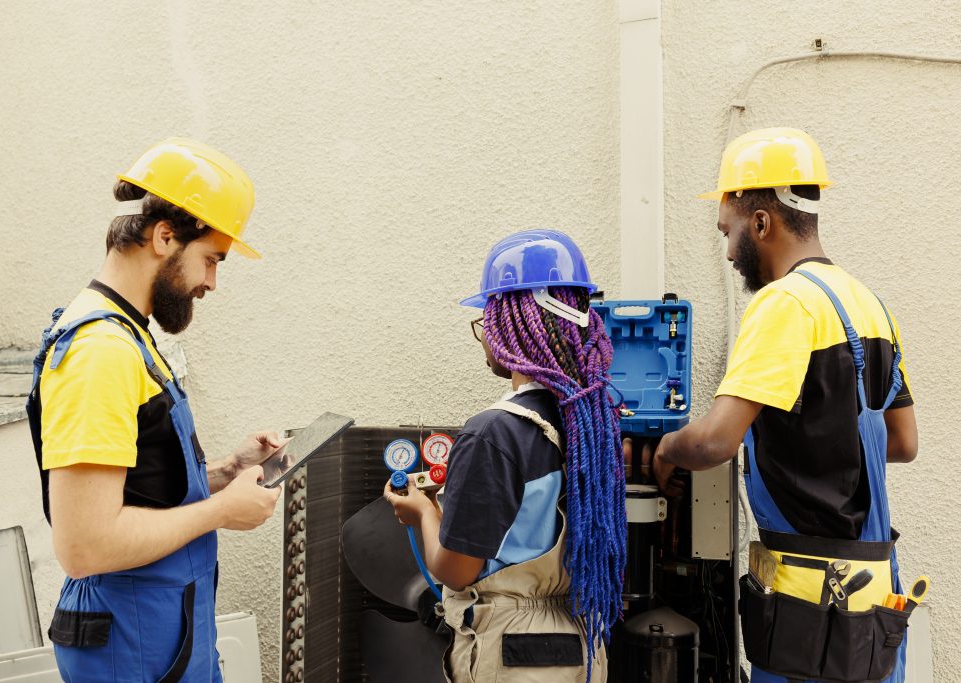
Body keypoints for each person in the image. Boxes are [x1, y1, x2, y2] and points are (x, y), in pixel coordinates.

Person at [652, 128, 918, 682]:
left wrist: (666, 450)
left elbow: (714, 441)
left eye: (727, 231)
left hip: (811, 613)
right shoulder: (869, 304)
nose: (727, 252)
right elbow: (901, 442)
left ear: (762, 221)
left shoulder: (784, 305)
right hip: (873, 604)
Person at [26, 138, 291, 682]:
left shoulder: (127, 334)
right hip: (132, 643)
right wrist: (223, 512)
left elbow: (135, 484)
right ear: (164, 237)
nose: (212, 283)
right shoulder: (100, 353)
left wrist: (223, 472)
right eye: (212, 259)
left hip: (160, 634)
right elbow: (84, 546)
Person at [385, 229, 625, 683]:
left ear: (507, 324)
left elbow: (456, 572)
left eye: (487, 319)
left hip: (513, 655)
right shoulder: (593, 422)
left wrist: (422, 513)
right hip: (581, 648)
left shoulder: (493, 433)